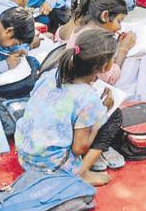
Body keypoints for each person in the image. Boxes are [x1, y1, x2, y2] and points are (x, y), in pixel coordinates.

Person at [15, 28, 121, 186]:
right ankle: (81, 173)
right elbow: (80, 148)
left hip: (25, 156)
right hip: (52, 166)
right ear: (106, 66)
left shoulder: (52, 75)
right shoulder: (88, 98)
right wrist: (100, 115)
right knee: (114, 116)